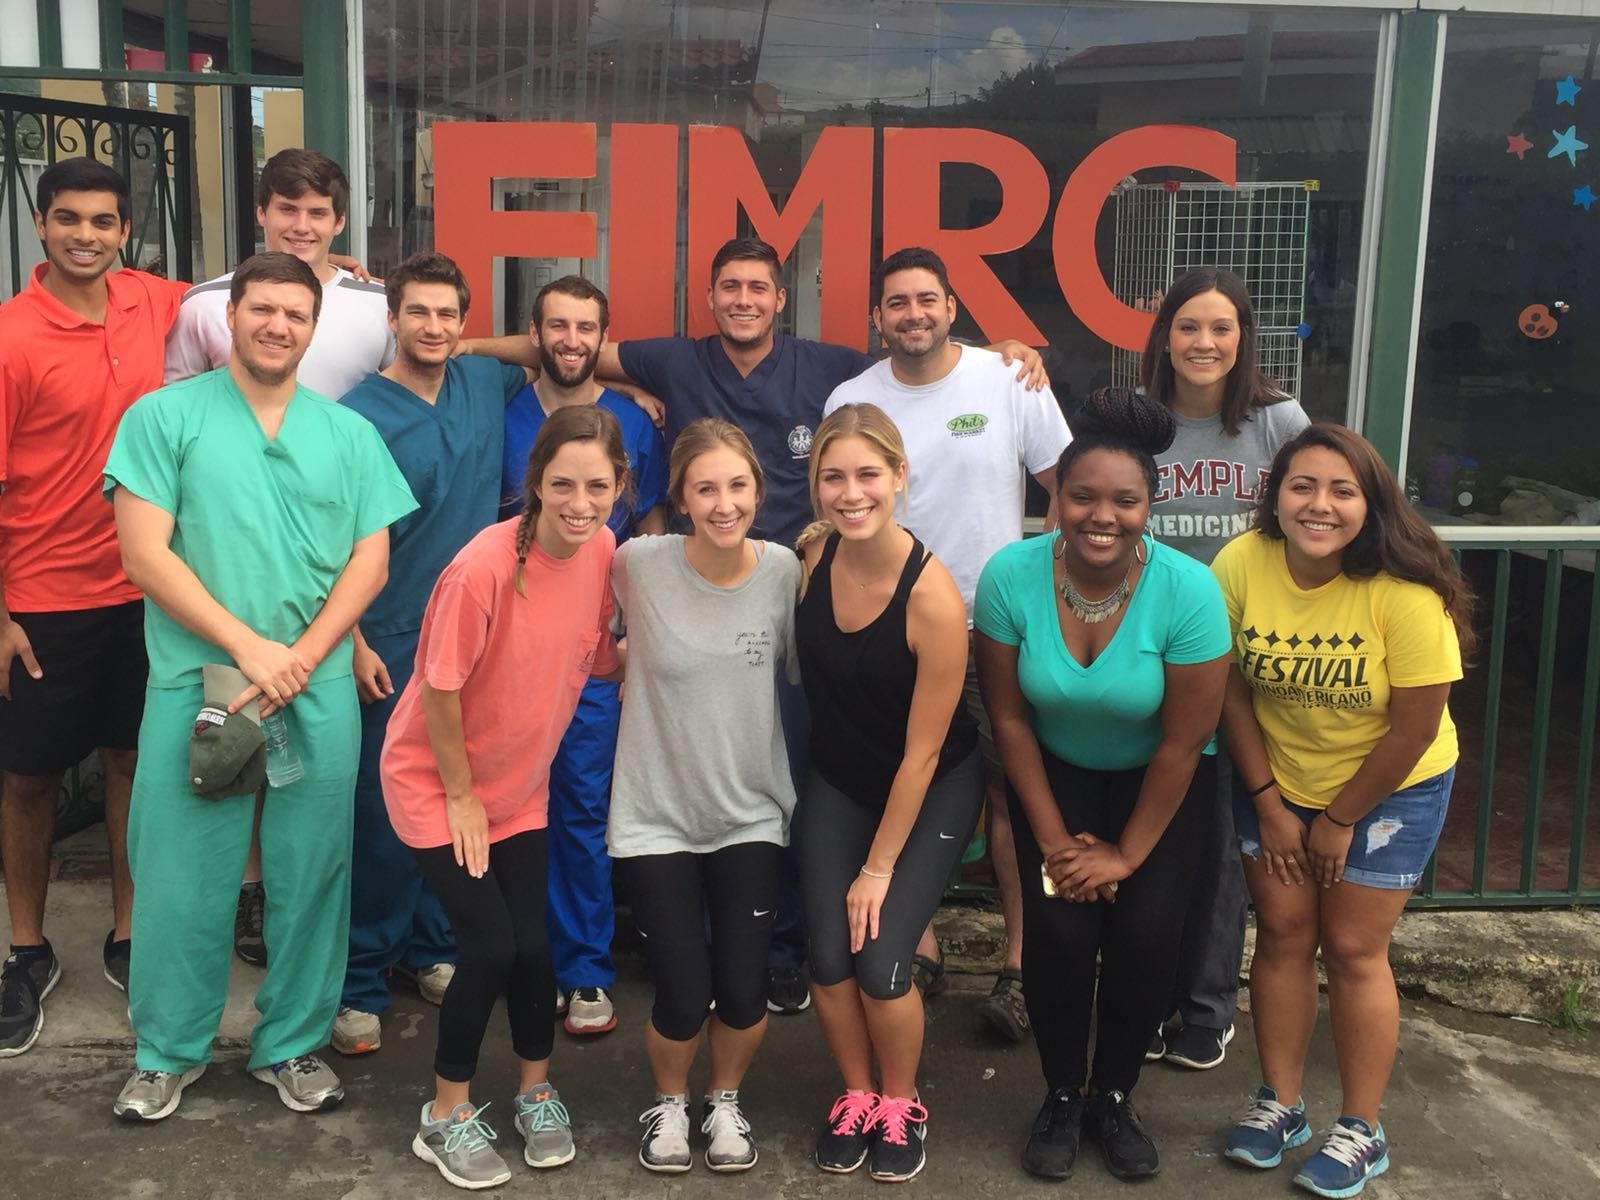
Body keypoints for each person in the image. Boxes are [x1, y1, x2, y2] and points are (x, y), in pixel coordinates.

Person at [470, 235, 1044, 1015]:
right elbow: (571, 351)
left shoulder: (830, 367)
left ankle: (793, 945)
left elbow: (919, 348)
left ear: (780, 299)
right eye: (730, 286)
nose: (744, 299)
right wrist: (455, 342)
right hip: (706, 597)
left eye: (758, 287)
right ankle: (704, 941)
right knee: (721, 768)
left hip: (799, 593)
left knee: (798, 772)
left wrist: (996, 352)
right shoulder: (674, 361)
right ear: (711, 299)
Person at [104, 251, 418, 1121]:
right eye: (262, 309)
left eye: (295, 313)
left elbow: (371, 557)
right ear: (230, 315)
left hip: (310, 685)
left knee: (312, 871)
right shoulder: (163, 418)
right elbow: (144, 554)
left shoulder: (346, 433)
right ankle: (167, 1051)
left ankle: (291, 1043)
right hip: (200, 680)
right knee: (181, 874)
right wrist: (252, 649)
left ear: (313, 329)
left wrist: (307, 654)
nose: (278, 325)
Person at [974, 388, 1230, 1182]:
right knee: (1056, 936)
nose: (1101, 515)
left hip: (1162, 786)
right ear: (1057, 496)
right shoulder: (1010, 576)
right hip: (1054, 773)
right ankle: (1060, 1092)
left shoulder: (1189, 592)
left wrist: (1122, 857)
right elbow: (1010, 721)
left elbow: (1186, 743)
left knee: (1146, 937)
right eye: (1082, 496)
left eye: (1125, 500)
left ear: (1150, 505)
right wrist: (1055, 844)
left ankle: (1114, 1095)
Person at [1213, 423, 1471, 1199]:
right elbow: (1229, 688)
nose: (1318, 505)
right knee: (1285, 936)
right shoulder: (1241, 562)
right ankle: (1281, 1104)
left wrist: (1338, 818)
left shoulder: (1404, 592)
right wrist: (1268, 801)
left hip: (1393, 785)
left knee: (1355, 948)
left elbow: (1416, 726)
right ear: (1276, 495)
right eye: (1302, 486)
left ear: (1371, 503)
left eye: (1341, 490)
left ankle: (1362, 1127)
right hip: (1279, 777)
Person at [825, 246, 1072, 1043]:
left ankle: (1023, 971)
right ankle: (917, 947)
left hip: (993, 629)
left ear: (952, 305)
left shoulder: (1008, 380)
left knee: (1010, 799)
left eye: (926, 299)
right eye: (896, 303)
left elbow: (1062, 486)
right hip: (887, 631)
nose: (913, 314)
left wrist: (1048, 589)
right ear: (878, 318)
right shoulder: (854, 396)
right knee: (886, 780)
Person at [381, 404, 626, 1190]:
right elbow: (443, 690)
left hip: (520, 788)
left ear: (620, 486)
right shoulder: (483, 568)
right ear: (535, 483)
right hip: (437, 785)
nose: (579, 502)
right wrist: (459, 798)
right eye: (562, 484)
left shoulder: (603, 552)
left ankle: (534, 1091)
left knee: (537, 949)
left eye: (596, 485)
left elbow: (595, 655)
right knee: (488, 948)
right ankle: (444, 1115)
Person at [164, 147, 392, 970]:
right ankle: (241, 906)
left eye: (318, 211)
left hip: (332, 561)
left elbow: (443, 353)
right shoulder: (201, 309)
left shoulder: (374, 306)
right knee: (217, 778)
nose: (302, 224)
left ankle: (309, 990)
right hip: (225, 566)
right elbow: (177, 433)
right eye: (287, 208)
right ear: (261, 212)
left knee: (313, 796)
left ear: (339, 221)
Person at [0, 157, 190, 1056]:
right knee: (30, 779)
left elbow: (258, 297)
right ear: (41, 225)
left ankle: (127, 932)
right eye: (69, 218)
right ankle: (26, 948)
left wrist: (340, 276)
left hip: (145, 588)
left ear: (125, 231)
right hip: (41, 599)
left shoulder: (153, 302)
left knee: (130, 765)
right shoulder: (9, 337)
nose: (87, 235)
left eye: (105, 221)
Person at [330, 251, 530, 1057]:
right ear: (392, 318)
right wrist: (348, 638)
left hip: (473, 636)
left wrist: (641, 391)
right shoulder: (357, 414)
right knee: (385, 818)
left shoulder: (482, 379)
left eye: (449, 314)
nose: (435, 328)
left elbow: (544, 353)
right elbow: (329, 537)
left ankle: (431, 946)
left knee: (462, 799)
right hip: (389, 636)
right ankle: (361, 981)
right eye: (419, 312)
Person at [793, 404, 981, 1183]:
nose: (851, 492)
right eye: (832, 476)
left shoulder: (932, 597)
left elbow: (924, 751)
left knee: (882, 963)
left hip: (929, 782)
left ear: (900, 478)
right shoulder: (810, 559)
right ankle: (858, 1092)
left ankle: (901, 1102)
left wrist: (878, 868)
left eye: (868, 474)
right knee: (829, 958)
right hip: (841, 778)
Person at [608, 420, 801, 1174]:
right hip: (655, 815)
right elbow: (578, 625)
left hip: (751, 811)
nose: (725, 504)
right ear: (681, 499)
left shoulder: (786, 570)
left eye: (739, 486)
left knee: (746, 987)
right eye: (706, 489)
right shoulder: (636, 563)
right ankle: (669, 1102)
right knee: (683, 991)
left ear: (759, 489)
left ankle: (723, 1101)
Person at [1140, 267, 1311, 1072]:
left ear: (1243, 337)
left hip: (1243, 670)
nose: (1204, 343)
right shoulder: (1139, 422)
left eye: (1221, 328)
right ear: (1164, 337)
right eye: (1188, 327)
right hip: (1148, 659)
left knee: (1217, 847)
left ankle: (1204, 1008)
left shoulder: (1276, 422)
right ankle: (1143, 995)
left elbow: (1318, 517)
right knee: (1147, 834)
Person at [500, 275, 666, 1040]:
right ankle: (511, 956)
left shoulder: (633, 420)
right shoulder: (497, 415)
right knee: (505, 807)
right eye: (557, 326)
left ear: (604, 337)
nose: (571, 339)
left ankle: (586, 968)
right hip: (509, 652)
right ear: (534, 335)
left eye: (586, 327)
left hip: (597, 655)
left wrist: (638, 638)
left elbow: (657, 535)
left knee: (580, 810)